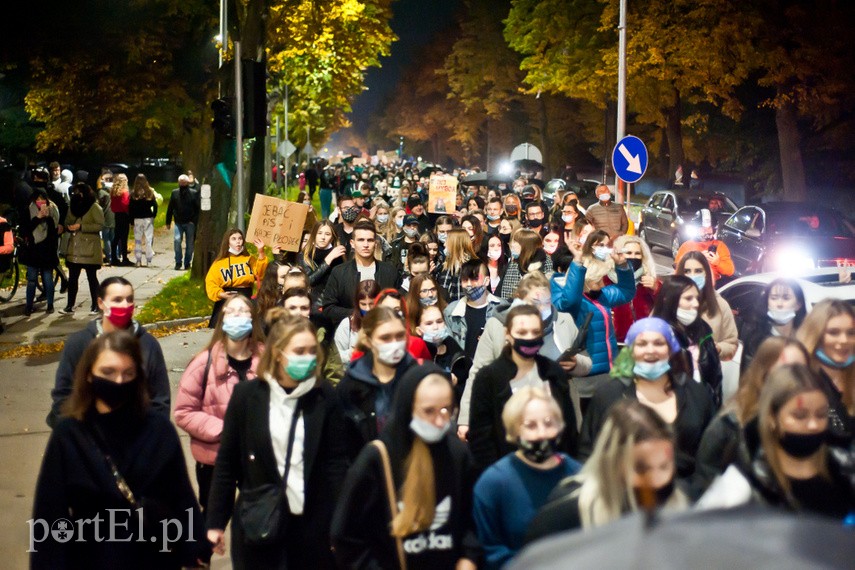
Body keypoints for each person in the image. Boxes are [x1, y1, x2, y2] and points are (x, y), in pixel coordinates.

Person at [33, 332, 209, 568]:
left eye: (127, 373)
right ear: (88, 375)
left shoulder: (158, 430)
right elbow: (50, 511)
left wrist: (196, 546)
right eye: (108, 372)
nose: (118, 381)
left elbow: (180, 495)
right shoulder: (70, 435)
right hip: (91, 557)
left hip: (153, 557)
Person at [206, 314, 349, 568]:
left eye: (311, 351)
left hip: (313, 527)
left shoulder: (324, 395)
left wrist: (340, 521)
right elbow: (227, 463)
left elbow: (336, 463)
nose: (307, 357)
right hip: (260, 525)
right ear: (278, 353)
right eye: (299, 351)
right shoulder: (247, 397)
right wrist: (216, 522)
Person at [331, 363, 481, 569]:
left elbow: (472, 519)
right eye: (428, 411)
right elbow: (346, 535)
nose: (439, 421)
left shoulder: (457, 453)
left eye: (446, 410)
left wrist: (468, 557)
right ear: (407, 408)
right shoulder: (377, 458)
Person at [697, 365, 855, 521]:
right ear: (772, 418)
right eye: (800, 416)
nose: (813, 425)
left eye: (821, 415)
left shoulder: (845, 469)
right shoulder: (744, 484)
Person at [526, 401, 689, 542]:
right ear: (613, 465)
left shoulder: (682, 504)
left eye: (664, 466)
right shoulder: (564, 518)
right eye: (641, 469)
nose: (656, 479)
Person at [459, 272, 592, 438]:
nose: (542, 309)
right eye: (535, 302)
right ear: (520, 300)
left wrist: (576, 364)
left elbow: (587, 363)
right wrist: (465, 418)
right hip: (510, 416)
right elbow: (478, 371)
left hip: (557, 417)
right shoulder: (497, 325)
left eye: (547, 302)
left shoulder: (564, 321)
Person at [580, 318, 715, 479]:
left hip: (688, 497)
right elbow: (587, 454)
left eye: (659, 343)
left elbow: (712, 453)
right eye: (642, 344)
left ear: (671, 349)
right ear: (630, 350)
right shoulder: (609, 396)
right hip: (625, 496)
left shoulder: (696, 394)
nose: (650, 350)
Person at [174, 294, 265, 512]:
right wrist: (225, 431)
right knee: (213, 516)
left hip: (256, 457)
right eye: (231, 311)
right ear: (222, 319)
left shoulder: (267, 360)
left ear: (253, 318)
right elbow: (184, 411)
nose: (237, 316)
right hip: (215, 457)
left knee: (256, 515)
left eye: (243, 311)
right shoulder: (203, 363)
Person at [473, 388, 581, 569]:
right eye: (530, 425)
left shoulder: (579, 476)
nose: (542, 433)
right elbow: (489, 550)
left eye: (549, 423)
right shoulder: (493, 483)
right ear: (514, 431)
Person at [469, 304, 579, 472]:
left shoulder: (554, 372)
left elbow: (569, 429)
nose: (529, 338)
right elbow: (481, 440)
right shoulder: (489, 377)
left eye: (535, 332)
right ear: (507, 334)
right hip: (507, 472)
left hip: (554, 468)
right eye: (522, 333)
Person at [48, 277, 170, 426]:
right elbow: (63, 396)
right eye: (117, 300)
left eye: (129, 299)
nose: (125, 305)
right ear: (101, 303)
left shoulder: (148, 345)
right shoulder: (79, 344)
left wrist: (148, 437)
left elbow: (160, 400)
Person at [695, 337, 810, 488]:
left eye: (800, 370)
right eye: (785, 369)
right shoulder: (730, 423)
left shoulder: (812, 419)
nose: (794, 377)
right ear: (763, 372)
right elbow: (706, 481)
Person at [551, 236, 635, 403]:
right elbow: (569, 300)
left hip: (608, 374)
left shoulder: (601, 297)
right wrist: (578, 262)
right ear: (587, 279)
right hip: (584, 378)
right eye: (598, 278)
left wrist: (622, 266)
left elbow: (626, 291)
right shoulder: (573, 301)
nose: (603, 282)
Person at [337, 306, 419, 456]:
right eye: (385, 338)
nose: (394, 343)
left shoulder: (418, 378)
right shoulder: (351, 385)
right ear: (368, 341)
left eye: (400, 336)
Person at [651, 275, 723, 405]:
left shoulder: (704, 332)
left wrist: (713, 409)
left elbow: (716, 379)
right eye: (688, 298)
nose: (696, 304)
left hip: (703, 411)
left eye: (697, 298)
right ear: (669, 300)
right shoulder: (656, 337)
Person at [796, 299, 855, 445]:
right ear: (816, 335)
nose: (844, 340)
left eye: (851, 333)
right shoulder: (799, 381)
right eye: (833, 332)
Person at [321, 220, 399, 324]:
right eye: (361, 240)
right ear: (352, 243)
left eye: (370, 240)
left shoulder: (390, 271)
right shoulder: (339, 272)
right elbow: (328, 308)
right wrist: (357, 314)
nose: (366, 245)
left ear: (375, 243)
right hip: (351, 331)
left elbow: (400, 302)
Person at [675, 251, 739, 361]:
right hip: (673, 372)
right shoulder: (669, 299)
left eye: (698, 271)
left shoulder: (720, 305)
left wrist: (718, 348)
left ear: (706, 273)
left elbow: (731, 344)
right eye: (687, 271)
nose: (692, 276)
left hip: (706, 373)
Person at [738, 278, 807, 373]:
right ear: (767, 303)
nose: (779, 304)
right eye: (774, 298)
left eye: (786, 298)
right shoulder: (755, 338)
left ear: (798, 304)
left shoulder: (805, 338)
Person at [204, 228, 268, 328]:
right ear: (227, 242)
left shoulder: (249, 259)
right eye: (233, 239)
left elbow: (261, 274)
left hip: (246, 296)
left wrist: (261, 252)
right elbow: (210, 283)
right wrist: (221, 294)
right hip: (226, 297)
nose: (238, 241)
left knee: (248, 328)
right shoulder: (219, 263)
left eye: (240, 238)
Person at [445, 259, 504, 362]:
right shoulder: (451, 311)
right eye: (464, 279)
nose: (468, 284)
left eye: (474, 279)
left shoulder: (502, 308)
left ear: (486, 281)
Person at [60, 183, 104, 315]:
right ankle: (69, 305)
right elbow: (68, 221)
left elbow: (99, 225)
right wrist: (69, 226)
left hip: (89, 248)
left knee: (92, 278)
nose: (75, 195)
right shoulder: (73, 206)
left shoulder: (94, 207)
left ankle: (96, 305)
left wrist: (82, 226)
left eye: (78, 193)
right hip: (75, 248)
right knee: (73, 278)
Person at [609, 234, 660, 343]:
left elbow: (667, 304)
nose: (633, 257)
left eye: (637, 254)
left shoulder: (649, 279)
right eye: (628, 253)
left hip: (645, 340)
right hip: (618, 342)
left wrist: (657, 288)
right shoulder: (607, 279)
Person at [19, 189, 59, 316]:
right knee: (31, 279)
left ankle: (50, 304)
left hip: (48, 249)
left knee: (47, 277)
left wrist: (48, 218)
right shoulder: (28, 210)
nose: (40, 202)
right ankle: (29, 306)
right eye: (38, 199)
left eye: (43, 199)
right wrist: (37, 218)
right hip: (33, 249)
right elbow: (25, 229)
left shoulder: (53, 209)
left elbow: (55, 230)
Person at [674, 209, 734, 282]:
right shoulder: (686, 246)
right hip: (691, 284)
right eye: (702, 229)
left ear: (714, 229)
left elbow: (730, 271)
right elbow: (678, 270)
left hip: (714, 286)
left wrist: (717, 262)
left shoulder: (720, 246)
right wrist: (696, 259)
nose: (706, 231)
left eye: (709, 228)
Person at [298, 220, 347, 303]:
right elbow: (308, 281)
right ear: (314, 235)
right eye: (319, 233)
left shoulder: (338, 254)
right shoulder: (305, 254)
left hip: (334, 300)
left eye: (327, 234)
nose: (323, 237)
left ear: (332, 237)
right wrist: (328, 260)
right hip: (314, 301)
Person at [334, 279, 381, 364]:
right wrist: (351, 353)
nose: (368, 308)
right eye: (363, 304)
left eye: (371, 304)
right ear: (357, 304)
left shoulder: (387, 323)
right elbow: (336, 357)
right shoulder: (347, 324)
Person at [499, 228, 553, 299]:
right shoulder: (514, 262)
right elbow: (503, 289)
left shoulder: (546, 262)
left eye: (515, 242)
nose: (512, 245)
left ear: (526, 246)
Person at [165, 174, 201, 270]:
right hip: (178, 222)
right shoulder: (175, 193)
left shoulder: (193, 193)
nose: (182, 184)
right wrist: (168, 221)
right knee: (177, 241)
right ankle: (178, 261)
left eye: (184, 182)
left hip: (190, 222)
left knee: (190, 244)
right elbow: (170, 208)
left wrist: (194, 221)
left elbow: (197, 209)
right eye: (181, 182)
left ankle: (187, 262)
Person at [438, 228, 478, 302]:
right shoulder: (448, 263)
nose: (444, 244)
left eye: (447, 241)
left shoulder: (460, 266)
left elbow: (444, 291)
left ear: (455, 244)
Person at [128, 174, 157, 267]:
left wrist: (131, 221)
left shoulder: (133, 193)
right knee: (148, 239)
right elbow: (155, 205)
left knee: (138, 240)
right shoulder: (149, 192)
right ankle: (149, 261)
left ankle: (138, 260)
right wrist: (153, 215)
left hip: (137, 218)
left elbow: (131, 208)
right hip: (148, 218)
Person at [109, 173, 132, 266]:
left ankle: (114, 257)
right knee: (124, 237)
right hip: (124, 215)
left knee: (117, 237)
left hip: (117, 215)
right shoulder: (124, 192)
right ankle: (124, 258)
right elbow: (125, 204)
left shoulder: (113, 192)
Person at [96, 170, 116, 265]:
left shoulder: (102, 192)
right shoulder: (116, 189)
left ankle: (110, 256)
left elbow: (99, 204)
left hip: (106, 217)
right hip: (114, 216)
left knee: (106, 238)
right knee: (113, 237)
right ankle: (115, 254)